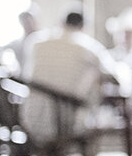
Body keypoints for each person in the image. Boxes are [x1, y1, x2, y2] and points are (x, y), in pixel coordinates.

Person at [20, 8, 121, 146]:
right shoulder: (88, 46)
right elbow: (115, 75)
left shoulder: (36, 42)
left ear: (62, 23)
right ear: (85, 27)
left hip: (29, 118)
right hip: (66, 122)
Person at [4, 5, 41, 74]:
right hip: (23, 77)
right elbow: (1, 50)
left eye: (29, 21)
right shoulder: (17, 43)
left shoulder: (42, 39)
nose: (28, 25)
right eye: (25, 22)